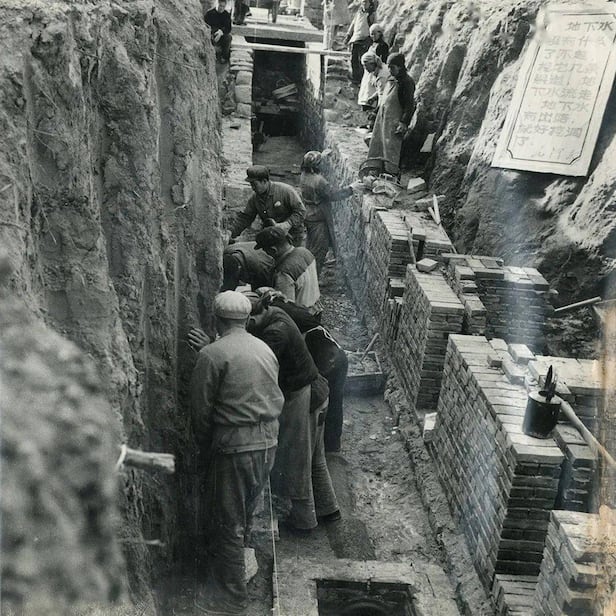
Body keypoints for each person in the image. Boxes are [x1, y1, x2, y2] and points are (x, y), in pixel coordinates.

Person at [190, 291, 284, 616]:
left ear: (217, 319)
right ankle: (240, 566)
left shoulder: (211, 355)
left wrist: (205, 449)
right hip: (268, 443)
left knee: (227, 521)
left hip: (235, 448)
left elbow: (200, 412)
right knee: (245, 512)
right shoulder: (264, 349)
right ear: (245, 319)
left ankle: (231, 599)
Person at [246, 297, 340, 530]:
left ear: (259, 313)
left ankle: (304, 520)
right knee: (315, 458)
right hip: (316, 390)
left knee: (298, 461)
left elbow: (257, 363)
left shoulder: (276, 333)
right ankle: (329, 510)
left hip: (304, 398)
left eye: (250, 320)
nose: (248, 325)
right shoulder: (276, 312)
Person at [257, 288, 349, 452]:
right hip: (335, 355)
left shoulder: (279, 315)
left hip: (327, 359)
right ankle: (332, 446)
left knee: (315, 402)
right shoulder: (288, 307)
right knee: (335, 402)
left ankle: (316, 447)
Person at [359, 52, 416, 180]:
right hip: (383, 119)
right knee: (379, 144)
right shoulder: (391, 79)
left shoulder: (406, 83)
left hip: (394, 122)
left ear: (400, 67)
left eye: (392, 67)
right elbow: (384, 99)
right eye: (389, 67)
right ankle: (378, 169)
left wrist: (403, 122)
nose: (390, 70)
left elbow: (409, 106)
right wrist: (376, 111)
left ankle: (392, 174)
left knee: (391, 148)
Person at [299, 151, 353, 274]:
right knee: (319, 251)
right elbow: (333, 195)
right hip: (319, 217)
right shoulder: (319, 181)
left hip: (309, 214)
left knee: (310, 246)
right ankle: (312, 278)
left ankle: (306, 274)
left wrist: (323, 155)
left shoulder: (304, 175)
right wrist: (351, 189)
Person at [230, 165, 306, 247]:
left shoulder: (286, 191)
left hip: (293, 236)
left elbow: (301, 211)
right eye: (251, 184)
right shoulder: (255, 198)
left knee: (293, 254)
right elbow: (245, 218)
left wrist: (288, 224)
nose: (252, 188)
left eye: (255, 184)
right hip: (273, 237)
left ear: (264, 181)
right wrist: (230, 232)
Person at [254, 226, 321, 315]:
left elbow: (285, 309)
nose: (266, 253)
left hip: (301, 316)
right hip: (316, 309)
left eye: (266, 250)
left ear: (273, 250)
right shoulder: (305, 252)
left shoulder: (284, 273)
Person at [344, 0, 376, 83]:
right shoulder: (359, 13)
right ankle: (355, 77)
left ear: (370, 4)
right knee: (353, 59)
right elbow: (353, 24)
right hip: (355, 39)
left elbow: (374, 27)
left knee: (362, 60)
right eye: (363, 2)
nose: (364, 4)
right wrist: (348, 35)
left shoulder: (371, 15)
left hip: (365, 40)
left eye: (366, 2)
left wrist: (371, 38)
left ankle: (361, 79)